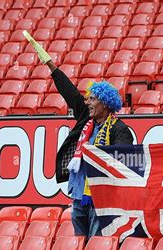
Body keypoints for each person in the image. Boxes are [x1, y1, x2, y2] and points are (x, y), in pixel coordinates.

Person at [45, 58, 134, 238]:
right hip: (79, 194)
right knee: (79, 243)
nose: (87, 103)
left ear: (106, 104)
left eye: (92, 99)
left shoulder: (120, 130)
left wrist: (95, 156)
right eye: (88, 99)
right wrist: (50, 66)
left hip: (101, 197)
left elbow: (122, 161)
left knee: (95, 243)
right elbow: (69, 92)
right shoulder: (86, 119)